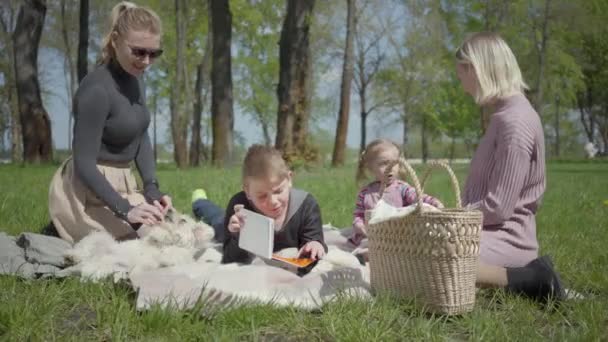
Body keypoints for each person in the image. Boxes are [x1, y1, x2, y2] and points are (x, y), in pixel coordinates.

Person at [48, 1, 171, 243]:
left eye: (154, 53)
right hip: (88, 192)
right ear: (115, 40)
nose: (146, 61)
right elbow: (84, 164)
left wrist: (152, 189)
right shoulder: (96, 89)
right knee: (146, 243)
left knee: (169, 232)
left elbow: (140, 135)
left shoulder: (137, 78)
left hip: (124, 186)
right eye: (139, 51)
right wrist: (126, 210)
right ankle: (65, 227)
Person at [455, 32, 565, 301]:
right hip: (482, 232)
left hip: (507, 240)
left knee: (428, 256)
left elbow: (498, 208)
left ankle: (532, 279)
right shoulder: (502, 117)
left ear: (478, 69)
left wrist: (452, 218)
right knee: (409, 249)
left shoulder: (515, 123)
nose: (461, 83)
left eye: (461, 74)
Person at [192, 145, 327, 263]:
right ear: (248, 191)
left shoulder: (305, 205)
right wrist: (237, 235)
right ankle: (200, 201)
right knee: (218, 220)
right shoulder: (240, 206)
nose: (273, 201)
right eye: (262, 196)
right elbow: (230, 258)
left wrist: (315, 244)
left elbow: (314, 239)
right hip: (225, 226)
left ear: (289, 178)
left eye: (278, 191)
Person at [349, 139, 443, 246]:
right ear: (370, 167)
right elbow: (359, 215)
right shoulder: (366, 193)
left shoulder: (402, 189)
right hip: (374, 236)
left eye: (394, 163)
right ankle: (366, 255)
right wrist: (359, 225)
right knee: (366, 245)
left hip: (398, 237)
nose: (390, 168)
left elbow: (418, 197)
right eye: (383, 164)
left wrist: (434, 203)